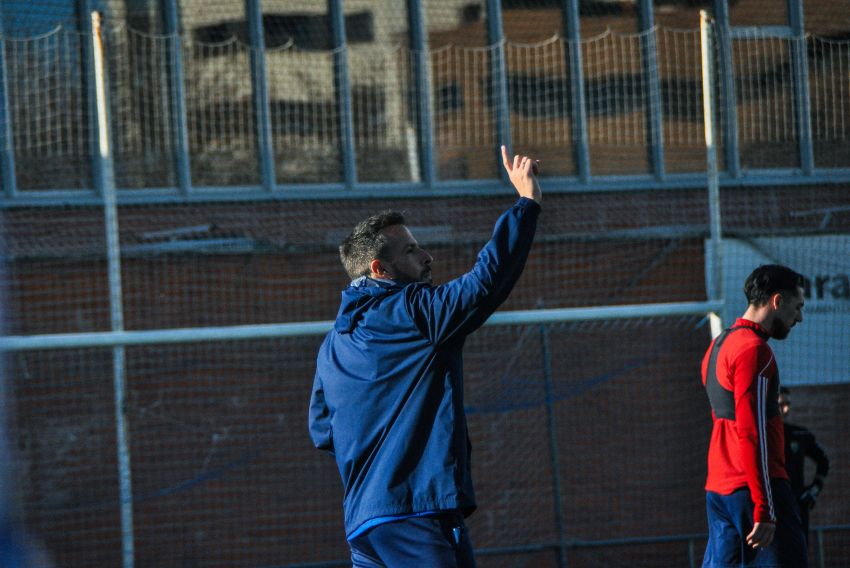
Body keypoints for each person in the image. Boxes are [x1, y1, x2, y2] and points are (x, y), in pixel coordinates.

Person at [309, 146, 542, 567]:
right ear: (379, 269)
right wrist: (525, 204)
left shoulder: (333, 344)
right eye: (412, 251)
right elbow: (483, 284)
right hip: (413, 513)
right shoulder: (413, 312)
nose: (427, 256)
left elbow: (323, 430)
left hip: (365, 526)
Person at [701, 264, 807, 568]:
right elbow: (751, 432)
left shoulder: (717, 346)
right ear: (777, 301)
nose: (799, 317)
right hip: (755, 488)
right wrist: (764, 507)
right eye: (797, 307)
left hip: (719, 490)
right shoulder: (754, 351)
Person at [778, 386, 830, 542]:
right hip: (772, 506)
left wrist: (814, 489)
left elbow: (824, 461)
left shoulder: (799, 435)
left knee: (799, 551)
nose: (785, 409)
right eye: (781, 404)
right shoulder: (761, 434)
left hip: (796, 505)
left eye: (788, 404)